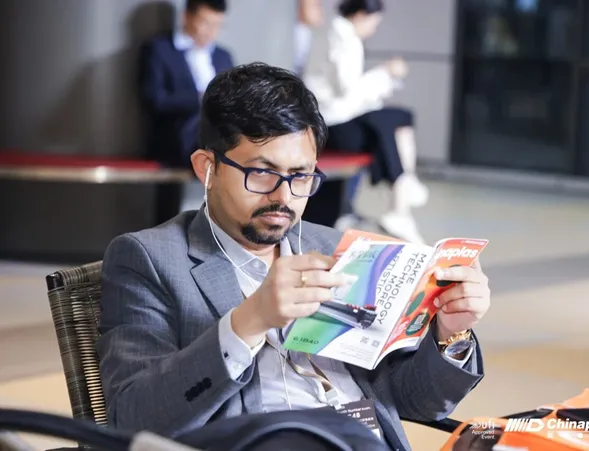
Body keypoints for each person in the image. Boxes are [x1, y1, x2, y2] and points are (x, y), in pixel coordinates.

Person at [98, 62, 490, 451]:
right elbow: (133, 419)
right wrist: (249, 321)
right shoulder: (149, 259)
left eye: (301, 176)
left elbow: (417, 402)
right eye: (261, 173)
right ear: (208, 168)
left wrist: (449, 334)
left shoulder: (339, 249)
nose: (283, 197)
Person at [303, 0, 429, 243]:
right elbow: (347, 90)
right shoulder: (343, 37)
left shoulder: (336, 32)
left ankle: (401, 195)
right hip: (331, 126)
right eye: (374, 23)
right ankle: (402, 190)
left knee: (392, 120)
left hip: (331, 121)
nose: (374, 29)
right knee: (395, 119)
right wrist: (385, 73)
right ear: (361, 15)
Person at [139, 0, 234, 168]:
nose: (211, 32)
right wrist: (201, 99)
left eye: (217, 25)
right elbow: (155, 100)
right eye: (205, 23)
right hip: (176, 137)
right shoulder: (160, 49)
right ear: (186, 17)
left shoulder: (223, 56)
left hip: (220, 131)